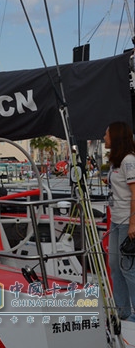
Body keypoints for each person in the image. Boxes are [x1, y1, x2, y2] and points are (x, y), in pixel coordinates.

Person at [104, 121, 135, 320]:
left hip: (126, 222)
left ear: (115, 137)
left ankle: (133, 313)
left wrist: (133, 223)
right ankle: (122, 312)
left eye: (106, 134)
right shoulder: (116, 162)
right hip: (116, 220)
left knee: (128, 269)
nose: (104, 138)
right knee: (115, 265)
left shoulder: (128, 161)